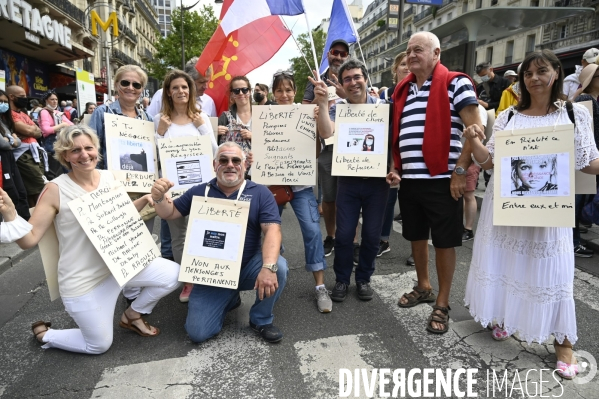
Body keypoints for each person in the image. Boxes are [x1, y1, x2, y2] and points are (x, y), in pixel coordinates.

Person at [463, 49, 599, 379]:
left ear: (556, 74)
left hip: (549, 211)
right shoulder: (509, 117)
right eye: (528, 73)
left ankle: (563, 344)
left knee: (553, 272)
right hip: (506, 205)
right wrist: (472, 140)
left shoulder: (572, 115)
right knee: (506, 263)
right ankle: (506, 319)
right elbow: (490, 162)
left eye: (541, 71)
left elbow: (588, 162)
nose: (534, 78)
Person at [0, 125, 180, 354]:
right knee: (98, 345)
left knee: (173, 275)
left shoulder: (108, 177)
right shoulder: (55, 189)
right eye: (75, 150)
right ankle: (47, 334)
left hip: (120, 267)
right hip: (84, 281)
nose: (84, 155)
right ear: (65, 156)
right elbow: (29, 240)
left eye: (88, 148)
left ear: (97, 149)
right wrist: (10, 214)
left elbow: (117, 217)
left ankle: (133, 314)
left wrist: (144, 199)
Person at [389, 32, 481, 334]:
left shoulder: (456, 82)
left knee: (444, 241)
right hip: (411, 180)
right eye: (408, 50)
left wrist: (460, 171)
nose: (411, 55)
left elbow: (474, 130)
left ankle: (442, 301)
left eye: (419, 50)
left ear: (437, 53)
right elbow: (396, 135)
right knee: (415, 236)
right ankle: (424, 286)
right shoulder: (402, 90)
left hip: (444, 179)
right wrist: (395, 167)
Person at [151, 142, 288, 343]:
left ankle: (261, 319)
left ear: (245, 165)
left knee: (279, 267)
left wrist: (268, 266)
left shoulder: (260, 193)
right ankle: (230, 298)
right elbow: (170, 213)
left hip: (248, 266)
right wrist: (158, 198)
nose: (230, 165)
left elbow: (272, 230)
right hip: (212, 274)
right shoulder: (199, 191)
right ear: (215, 165)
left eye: (236, 160)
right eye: (223, 160)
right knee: (198, 333)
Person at [311, 58, 390, 303]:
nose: (353, 82)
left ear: (365, 79)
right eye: (348, 79)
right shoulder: (339, 107)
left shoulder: (383, 105)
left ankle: (364, 278)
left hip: (378, 183)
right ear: (342, 84)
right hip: (348, 180)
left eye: (357, 77)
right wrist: (323, 104)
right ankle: (343, 280)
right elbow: (326, 132)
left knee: (372, 236)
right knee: (344, 235)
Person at [270, 71, 331, 313]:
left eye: (288, 90)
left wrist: (314, 126)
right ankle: (274, 268)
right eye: (279, 90)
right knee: (270, 230)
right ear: (274, 93)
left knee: (313, 231)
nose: (284, 95)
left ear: (294, 91)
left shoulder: (306, 114)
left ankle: (320, 286)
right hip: (272, 185)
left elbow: (315, 151)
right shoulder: (265, 116)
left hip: (301, 184)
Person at [154, 69, 218, 302]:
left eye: (184, 87)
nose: (181, 91)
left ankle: (207, 276)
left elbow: (214, 152)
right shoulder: (160, 121)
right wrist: (160, 134)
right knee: (178, 236)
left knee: (202, 232)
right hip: (173, 189)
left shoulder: (200, 118)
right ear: (168, 93)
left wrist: (202, 127)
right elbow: (155, 157)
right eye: (175, 88)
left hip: (202, 187)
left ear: (190, 91)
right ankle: (188, 281)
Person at [303, 39, 350, 256]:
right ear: (328, 55)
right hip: (327, 148)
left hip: (352, 148)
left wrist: (343, 93)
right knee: (329, 198)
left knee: (350, 198)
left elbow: (362, 103)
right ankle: (331, 235)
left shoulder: (352, 79)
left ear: (347, 57)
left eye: (343, 53)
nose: (339, 57)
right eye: (335, 52)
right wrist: (320, 98)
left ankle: (349, 239)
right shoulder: (315, 81)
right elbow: (304, 112)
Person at [89, 65, 153, 170]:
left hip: (141, 181)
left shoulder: (147, 119)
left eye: (136, 85)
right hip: (109, 180)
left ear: (141, 90)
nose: (130, 88)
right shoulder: (102, 112)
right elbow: (92, 149)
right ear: (116, 85)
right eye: (125, 83)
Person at [378, 52, 410, 259]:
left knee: (413, 200)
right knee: (387, 199)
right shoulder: (385, 97)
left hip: (411, 154)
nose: (407, 67)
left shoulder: (421, 92)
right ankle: (383, 239)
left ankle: (418, 248)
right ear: (395, 70)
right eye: (403, 64)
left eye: (410, 64)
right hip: (389, 153)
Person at [572, 62, 599, 257]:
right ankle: (573, 242)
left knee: (580, 201)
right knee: (577, 202)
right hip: (585, 159)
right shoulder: (585, 99)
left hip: (589, 157)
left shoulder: (590, 99)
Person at [6, 85, 46, 207]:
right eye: (22, 97)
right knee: (39, 188)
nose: (25, 99)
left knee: (37, 187)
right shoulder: (9, 114)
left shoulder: (23, 113)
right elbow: (29, 131)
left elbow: (39, 132)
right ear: (12, 97)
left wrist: (32, 130)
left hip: (34, 153)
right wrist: (31, 129)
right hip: (23, 155)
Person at [147, 58, 216, 118]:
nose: (206, 86)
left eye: (207, 82)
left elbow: (211, 130)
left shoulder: (209, 102)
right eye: (201, 82)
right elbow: (149, 124)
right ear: (189, 79)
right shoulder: (161, 95)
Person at [0, 89, 29, 219]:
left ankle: (23, 220)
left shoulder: (5, 120)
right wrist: (11, 140)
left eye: (5, 102)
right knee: (10, 191)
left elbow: (16, 141)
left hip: (9, 158)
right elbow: (4, 143)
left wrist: (10, 140)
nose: (3, 104)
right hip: (3, 161)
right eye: (0, 101)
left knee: (20, 191)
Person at [217, 76, 253, 177]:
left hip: (258, 172)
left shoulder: (262, 115)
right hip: (231, 173)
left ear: (250, 91)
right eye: (237, 91)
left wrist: (253, 136)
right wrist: (215, 132)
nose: (241, 93)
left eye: (244, 90)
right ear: (232, 94)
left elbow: (272, 141)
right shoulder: (225, 117)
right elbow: (213, 146)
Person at [462, 105, 488, 242]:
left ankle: (468, 229)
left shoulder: (478, 110)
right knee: (457, 194)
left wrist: (469, 157)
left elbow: (479, 133)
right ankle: (459, 225)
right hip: (456, 157)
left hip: (470, 158)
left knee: (468, 194)